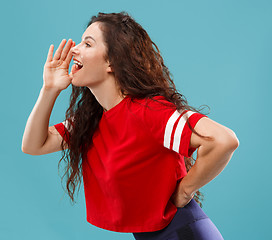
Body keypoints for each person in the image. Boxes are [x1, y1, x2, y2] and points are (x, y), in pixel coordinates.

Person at [21, 12, 239, 240]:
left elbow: (224, 140)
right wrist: (49, 90)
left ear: (112, 62)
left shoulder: (148, 112)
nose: (75, 49)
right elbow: (34, 144)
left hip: (183, 233)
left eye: (87, 44)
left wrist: (185, 190)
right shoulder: (93, 121)